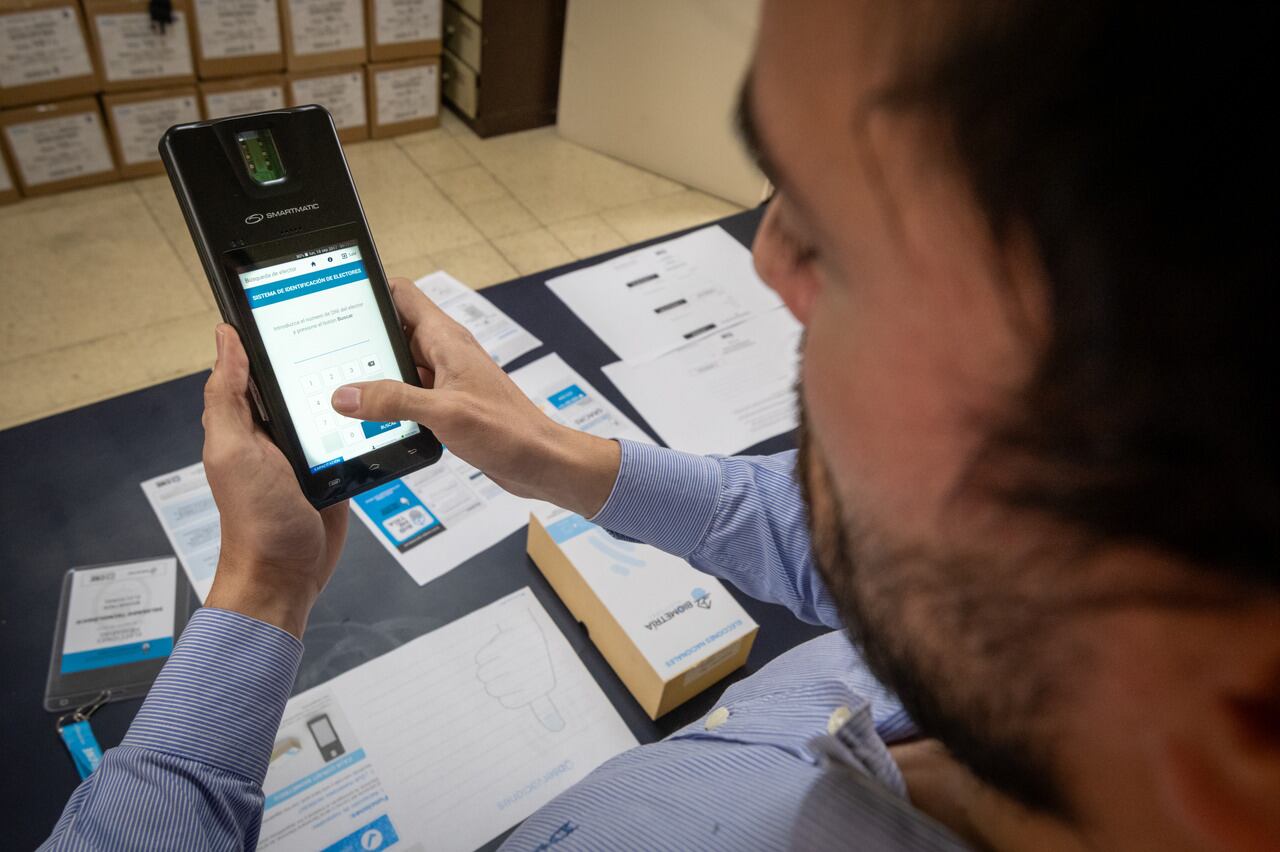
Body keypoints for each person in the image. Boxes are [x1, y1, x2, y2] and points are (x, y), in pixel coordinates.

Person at [41, 1, 1276, 849]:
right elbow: (838, 537)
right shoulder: (1039, 622)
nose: (766, 256)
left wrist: (256, 597)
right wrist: (558, 457)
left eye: (841, 237)